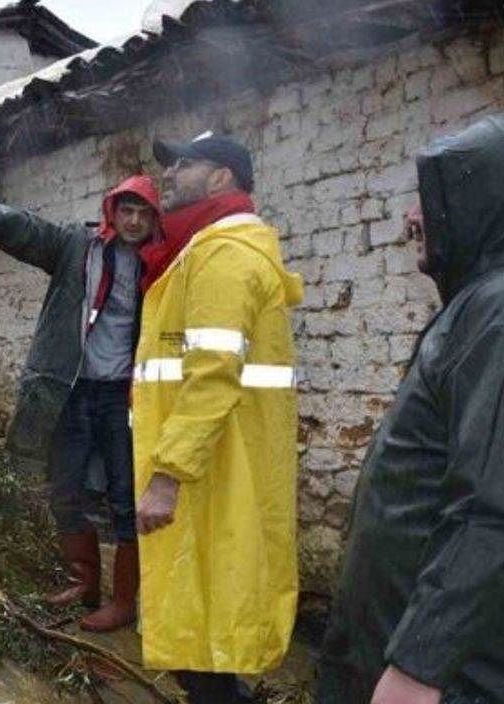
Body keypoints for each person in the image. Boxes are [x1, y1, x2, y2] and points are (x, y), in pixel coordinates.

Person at [317, 115, 504, 704]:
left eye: (431, 197)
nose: (412, 217)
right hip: (394, 644)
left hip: (437, 678)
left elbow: (491, 508)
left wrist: (417, 669)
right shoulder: (478, 306)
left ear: (483, 203)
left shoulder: (498, 313)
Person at [0, 168, 160, 631]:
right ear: (112, 210)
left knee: (126, 496)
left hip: (122, 396)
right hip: (69, 389)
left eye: (143, 214)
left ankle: (125, 600)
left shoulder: (159, 264)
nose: (133, 221)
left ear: (155, 221)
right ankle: (83, 584)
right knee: (65, 487)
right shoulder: (78, 246)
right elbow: (23, 230)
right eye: (126, 210)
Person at [134, 132, 302, 702]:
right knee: (201, 625)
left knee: (205, 632)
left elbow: (211, 375)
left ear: (222, 178)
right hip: (213, 464)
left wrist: (166, 474)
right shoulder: (201, 252)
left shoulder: (223, 256)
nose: (170, 174)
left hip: (209, 469)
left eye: (185, 163)